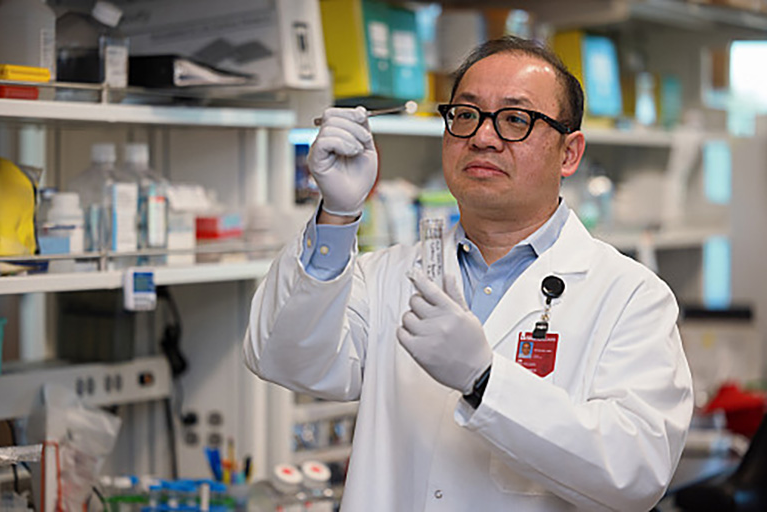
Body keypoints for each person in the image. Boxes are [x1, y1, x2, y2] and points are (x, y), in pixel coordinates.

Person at [243, 35, 693, 511]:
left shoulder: (630, 296)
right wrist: (335, 214)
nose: (482, 136)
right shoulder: (387, 276)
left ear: (569, 153)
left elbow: (636, 470)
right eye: (465, 115)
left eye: (516, 119)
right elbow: (280, 357)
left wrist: (484, 380)